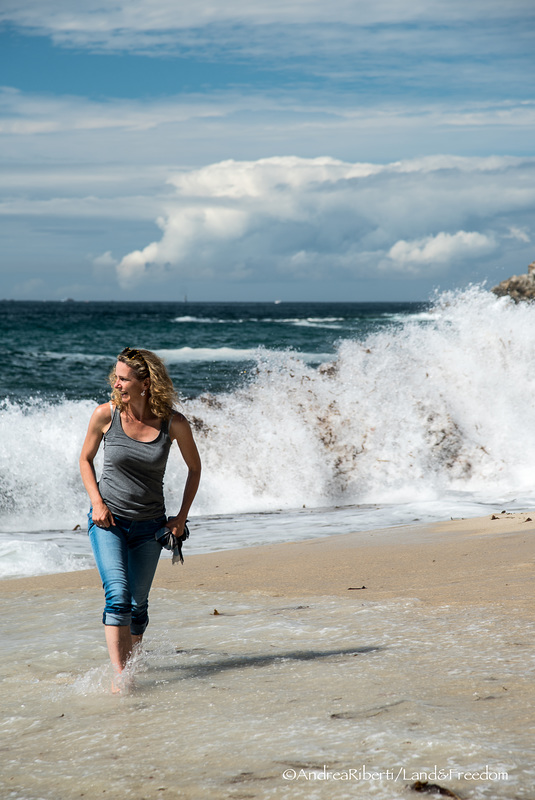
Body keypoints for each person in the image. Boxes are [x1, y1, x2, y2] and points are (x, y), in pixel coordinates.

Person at [79, 347, 201, 687]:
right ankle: (122, 680)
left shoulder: (173, 423)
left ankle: (132, 666)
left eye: (123, 378)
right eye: (116, 377)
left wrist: (180, 518)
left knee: (137, 605)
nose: (116, 384)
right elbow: (85, 460)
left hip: (150, 526)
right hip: (108, 521)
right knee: (117, 595)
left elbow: (195, 469)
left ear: (145, 384)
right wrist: (97, 502)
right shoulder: (105, 415)